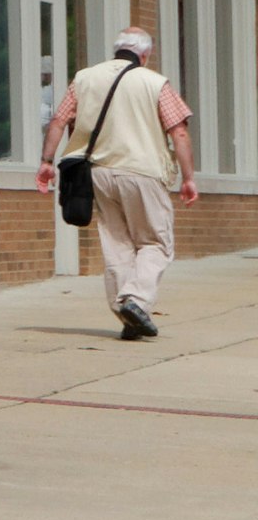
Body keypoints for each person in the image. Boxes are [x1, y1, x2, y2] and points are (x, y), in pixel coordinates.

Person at [36, 27, 199, 340]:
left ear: (117, 49)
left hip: (98, 173)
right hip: (143, 171)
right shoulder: (155, 83)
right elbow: (178, 132)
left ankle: (125, 314)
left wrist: (46, 162)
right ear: (145, 54)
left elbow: (59, 120)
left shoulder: (84, 78)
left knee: (117, 244)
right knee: (155, 242)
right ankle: (136, 302)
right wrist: (189, 178)